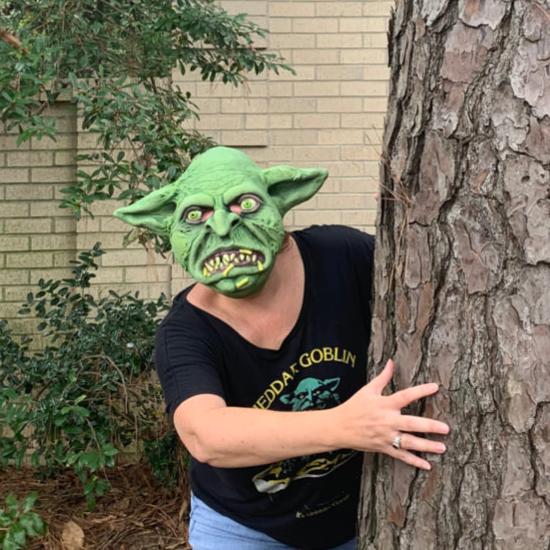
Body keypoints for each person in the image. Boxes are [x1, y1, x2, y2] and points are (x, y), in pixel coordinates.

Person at [114, 147, 449, 550]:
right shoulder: (185, 331)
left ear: (278, 200)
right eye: (196, 215)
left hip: (365, 516)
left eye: (244, 205)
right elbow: (205, 434)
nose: (221, 226)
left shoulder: (343, 256)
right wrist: (347, 426)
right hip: (245, 527)